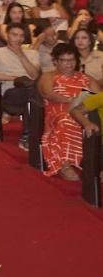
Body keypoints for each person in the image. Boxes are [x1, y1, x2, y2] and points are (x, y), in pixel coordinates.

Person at [39, 44, 99, 181]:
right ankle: (64, 163)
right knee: (66, 119)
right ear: (56, 61)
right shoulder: (49, 76)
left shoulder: (86, 78)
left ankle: (97, 165)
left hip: (85, 110)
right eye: (64, 61)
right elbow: (48, 94)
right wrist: (73, 100)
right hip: (58, 110)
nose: (69, 64)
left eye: (72, 60)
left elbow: (99, 96)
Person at [0, 23, 43, 150]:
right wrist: (15, 78)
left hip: (31, 90)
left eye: (21, 36)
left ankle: (35, 136)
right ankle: (27, 136)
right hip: (9, 92)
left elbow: (34, 75)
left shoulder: (33, 53)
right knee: (34, 95)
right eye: (14, 35)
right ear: (7, 36)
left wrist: (20, 54)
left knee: (34, 95)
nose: (18, 39)